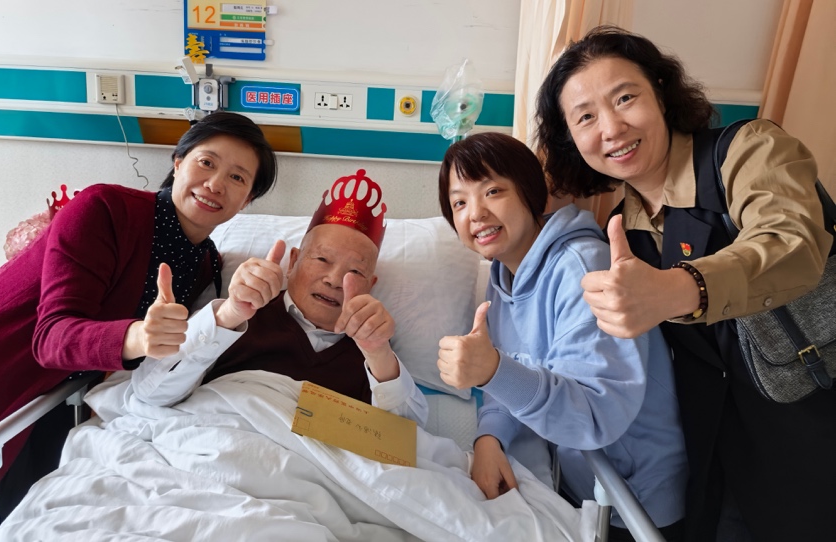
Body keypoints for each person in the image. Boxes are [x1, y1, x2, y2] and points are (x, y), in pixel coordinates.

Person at [535, 25, 835, 541]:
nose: (611, 128)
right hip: (720, 451)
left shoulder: (748, 151)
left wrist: (680, 288)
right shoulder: (623, 229)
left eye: (625, 98)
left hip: (813, 414)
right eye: (585, 117)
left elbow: (790, 242)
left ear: (661, 92)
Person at [0, 111, 277, 527]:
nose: (215, 184)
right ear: (178, 162)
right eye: (206, 162)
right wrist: (139, 337)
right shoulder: (104, 210)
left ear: (248, 200)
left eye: (237, 178)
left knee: (5, 520)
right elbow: (52, 336)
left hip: (48, 405)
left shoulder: (205, 265)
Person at [435, 132, 687, 540]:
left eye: (493, 191)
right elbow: (512, 368)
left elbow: (594, 413)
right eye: (459, 202)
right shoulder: (504, 278)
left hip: (638, 496)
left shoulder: (582, 268)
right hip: (584, 486)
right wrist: (490, 437)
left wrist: (492, 372)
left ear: (532, 194)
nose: (475, 213)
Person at [112, 169, 427, 426]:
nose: (333, 280)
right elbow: (151, 393)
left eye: (355, 271)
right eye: (321, 260)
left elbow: (407, 438)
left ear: (371, 285)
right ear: (293, 262)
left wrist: (378, 352)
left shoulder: (373, 351)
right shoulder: (235, 317)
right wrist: (229, 314)